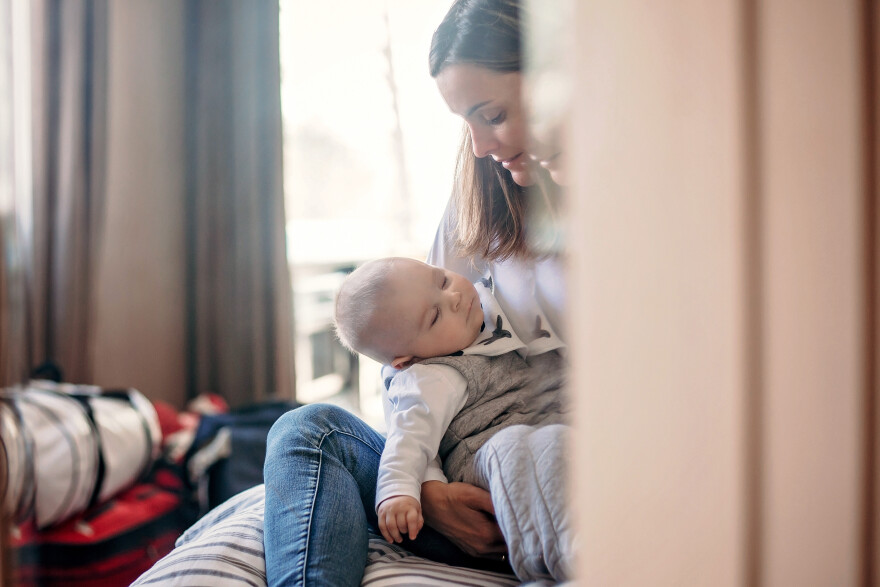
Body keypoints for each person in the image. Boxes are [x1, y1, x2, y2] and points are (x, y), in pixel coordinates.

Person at [262, 0, 567, 584]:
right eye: (467, 123)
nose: (479, 146)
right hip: (464, 478)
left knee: (536, 451)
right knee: (306, 430)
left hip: (556, 461)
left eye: (493, 113)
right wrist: (428, 491)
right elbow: (407, 360)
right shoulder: (484, 200)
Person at [333, 256, 571, 582]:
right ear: (407, 360)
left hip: (551, 434)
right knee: (518, 448)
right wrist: (398, 491)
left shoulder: (492, 303)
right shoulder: (428, 378)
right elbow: (406, 439)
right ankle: (558, 563)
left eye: (442, 280)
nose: (455, 297)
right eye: (434, 316)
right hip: (485, 458)